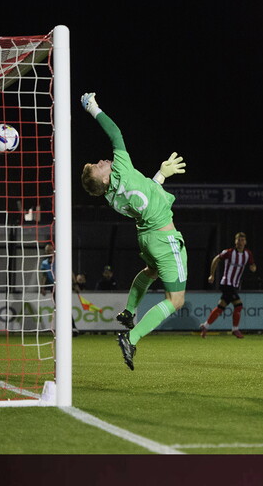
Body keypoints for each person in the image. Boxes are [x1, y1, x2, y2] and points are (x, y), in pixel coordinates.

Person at [80, 92, 188, 371]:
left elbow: (146, 194)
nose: (103, 161)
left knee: (150, 272)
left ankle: (128, 311)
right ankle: (132, 335)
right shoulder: (121, 171)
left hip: (146, 237)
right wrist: (94, 109)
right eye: (100, 166)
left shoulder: (111, 197)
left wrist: (160, 175)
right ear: (105, 177)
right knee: (176, 300)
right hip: (164, 238)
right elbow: (115, 133)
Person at [201, 232, 257, 339]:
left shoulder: (247, 254)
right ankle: (235, 329)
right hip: (227, 284)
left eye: (242, 240)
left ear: (245, 242)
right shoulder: (229, 252)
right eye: (238, 240)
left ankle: (205, 326)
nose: (240, 242)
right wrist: (212, 275)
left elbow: (252, 265)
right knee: (239, 305)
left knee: (221, 307)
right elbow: (216, 259)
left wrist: (253, 268)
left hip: (234, 285)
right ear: (235, 241)